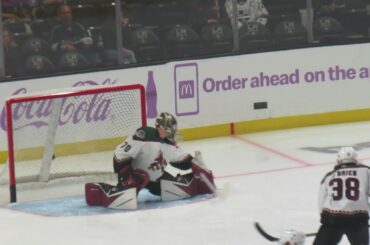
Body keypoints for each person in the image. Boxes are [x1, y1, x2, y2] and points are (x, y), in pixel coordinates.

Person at [85, 112, 216, 209]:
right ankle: (104, 190)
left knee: (180, 189)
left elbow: (180, 160)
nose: (171, 131)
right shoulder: (145, 135)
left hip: (157, 179)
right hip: (136, 177)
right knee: (125, 200)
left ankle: (198, 185)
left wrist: (194, 163)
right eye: (169, 128)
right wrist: (125, 173)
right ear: (161, 127)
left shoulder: (167, 144)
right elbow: (120, 154)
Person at [313, 146, 370, 245]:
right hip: (357, 219)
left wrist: (326, 219)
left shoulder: (329, 175)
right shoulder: (366, 171)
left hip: (332, 218)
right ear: (355, 159)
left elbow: (321, 201)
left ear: (339, 160)